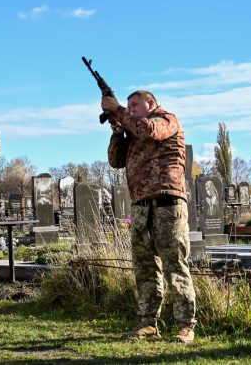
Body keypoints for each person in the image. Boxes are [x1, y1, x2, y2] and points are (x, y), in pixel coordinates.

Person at [104, 90, 196, 344]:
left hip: (168, 203)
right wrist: (116, 131)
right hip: (141, 205)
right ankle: (148, 323)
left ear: (151, 104)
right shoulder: (133, 128)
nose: (130, 109)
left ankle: (185, 325)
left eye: (135, 105)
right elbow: (115, 160)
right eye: (128, 106)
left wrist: (119, 110)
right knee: (145, 268)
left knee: (174, 265)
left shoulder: (166, 119)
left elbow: (150, 132)